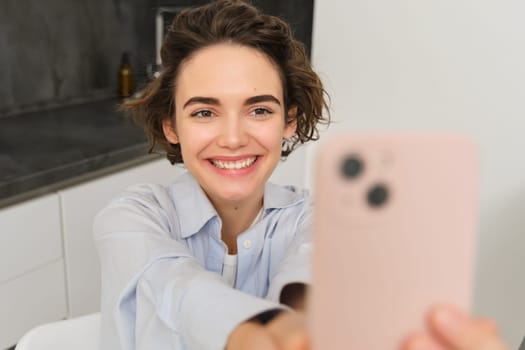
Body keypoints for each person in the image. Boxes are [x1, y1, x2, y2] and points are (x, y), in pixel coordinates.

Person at [93, 1, 508, 349]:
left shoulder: (318, 219)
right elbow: (174, 283)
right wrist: (253, 334)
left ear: (289, 121)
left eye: (260, 110)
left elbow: (312, 271)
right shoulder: (131, 217)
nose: (234, 138)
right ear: (171, 127)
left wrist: (306, 327)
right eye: (204, 112)